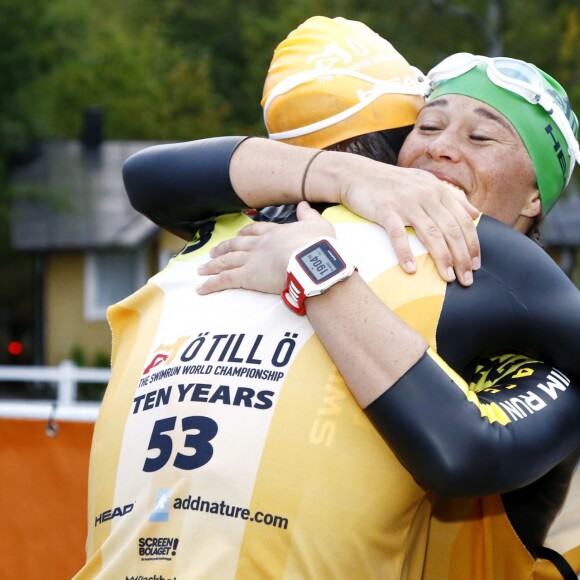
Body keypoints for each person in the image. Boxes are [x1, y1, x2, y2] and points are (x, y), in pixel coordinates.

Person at [78, 17, 580, 580]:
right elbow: (147, 176)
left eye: (480, 137)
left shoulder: (511, 282)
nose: (440, 150)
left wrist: (317, 273)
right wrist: (343, 176)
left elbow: (466, 452)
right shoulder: (286, 229)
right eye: (428, 126)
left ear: (536, 192)